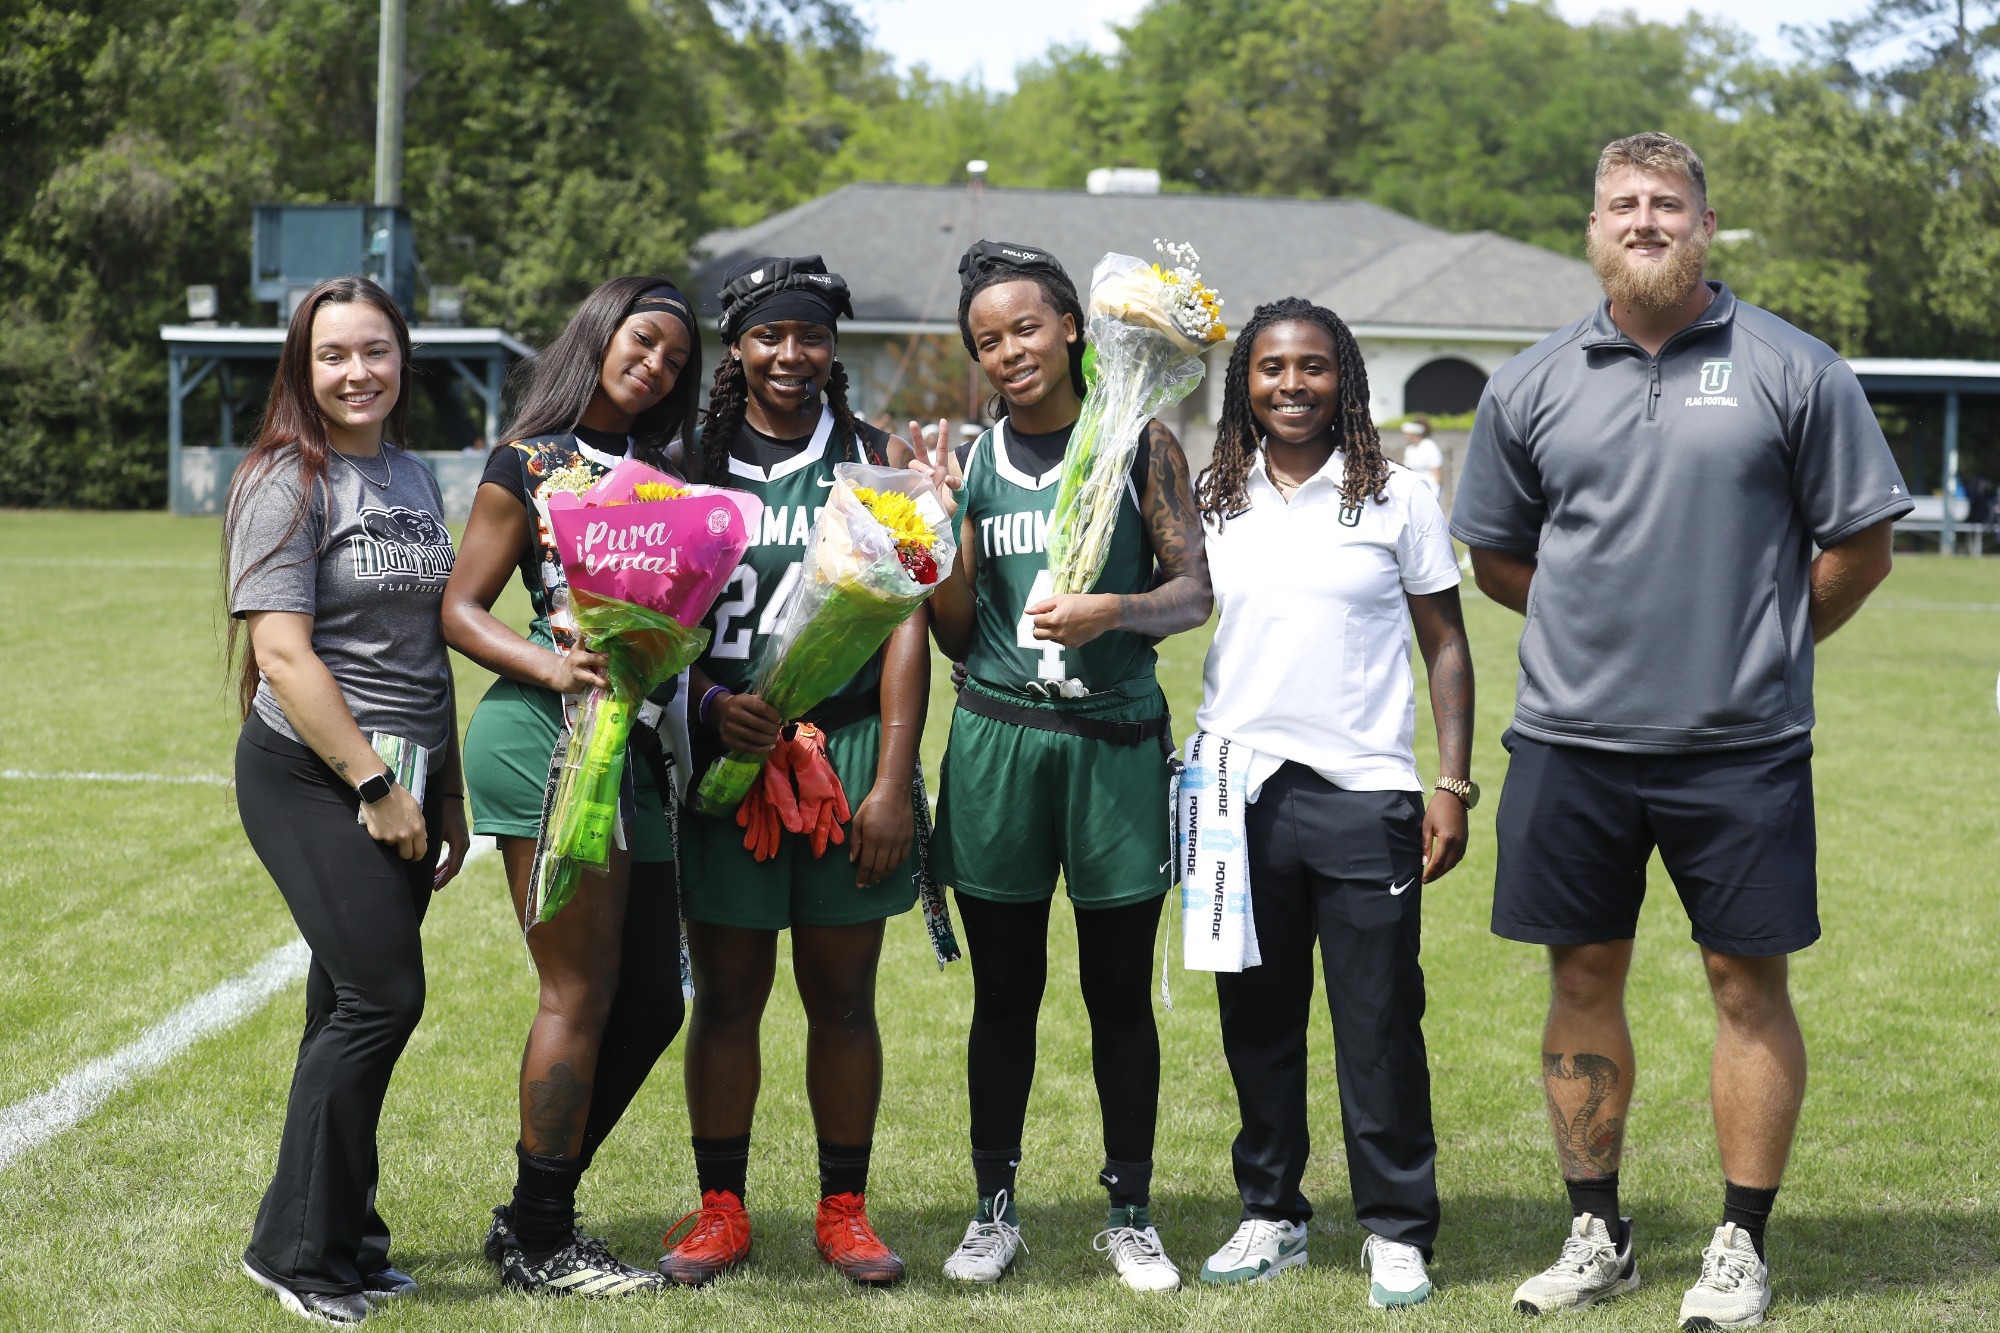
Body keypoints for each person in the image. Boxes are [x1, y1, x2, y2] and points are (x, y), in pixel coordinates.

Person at [1450, 133, 1910, 1330]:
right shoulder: (1532, 379)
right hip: (1569, 741)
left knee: (1742, 984)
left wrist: (1759, 638)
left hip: (1739, 745)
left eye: (1665, 203)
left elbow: (1858, 546)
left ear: (1703, 226)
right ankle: (1594, 1230)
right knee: (1581, 974)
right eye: (1620, 203)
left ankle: (1737, 1246)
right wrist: (1590, 633)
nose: (1642, 220)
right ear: (1590, 229)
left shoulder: (1791, 368)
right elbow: (1497, 554)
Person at [910, 239, 1212, 1293]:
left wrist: (1109, 611)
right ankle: (992, 1209)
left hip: (1114, 744)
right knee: (1006, 994)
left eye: (1025, 328)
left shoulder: (1137, 444)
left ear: (1073, 327)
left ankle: (1129, 1211)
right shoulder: (967, 459)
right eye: (986, 340)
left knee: (1116, 991)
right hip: (997, 741)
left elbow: (1192, 593)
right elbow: (956, 632)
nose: (1008, 351)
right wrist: (937, 554)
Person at [1188, 298, 1474, 1309]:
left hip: (1366, 794)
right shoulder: (1210, 492)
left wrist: (1449, 779)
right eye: (1270, 367)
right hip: (1232, 794)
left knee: (1378, 1020)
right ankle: (1269, 1212)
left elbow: (1442, 639)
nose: (1291, 384)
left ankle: (1396, 1227)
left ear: (1341, 377)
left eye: (1311, 366)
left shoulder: (1395, 494)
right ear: (1245, 382)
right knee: (1253, 1020)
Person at [657, 255, 926, 1288]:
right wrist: (701, 709)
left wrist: (892, 781)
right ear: (739, 346)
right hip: (725, 751)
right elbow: (651, 607)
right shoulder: (686, 458)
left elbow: (903, 622)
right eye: (770, 335)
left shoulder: (873, 456)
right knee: (726, 994)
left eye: (809, 336)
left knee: (842, 996)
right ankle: (721, 1208)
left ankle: (843, 1209)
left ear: (832, 348)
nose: (791, 355)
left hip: (845, 750)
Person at [442, 275, 703, 1297]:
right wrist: (552, 665)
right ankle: (543, 1236)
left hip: (632, 748)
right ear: (599, 334)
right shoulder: (529, 460)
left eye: (677, 360)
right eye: (644, 341)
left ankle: (530, 1214)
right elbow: (462, 609)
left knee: (649, 1003)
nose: (656, 366)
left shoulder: (667, 475)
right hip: (541, 737)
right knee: (580, 989)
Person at [224, 275, 470, 1324]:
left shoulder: (413, 473)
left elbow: (425, 649)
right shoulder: (288, 477)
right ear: (303, 367)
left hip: (406, 776)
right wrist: (370, 782)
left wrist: (441, 792)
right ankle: (292, 1251)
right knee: (381, 998)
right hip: (312, 773)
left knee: (343, 1003)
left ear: (401, 358)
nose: (356, 372)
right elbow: (280, 651)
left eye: (374, 351)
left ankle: (342, 1237)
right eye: (333, 355)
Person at [1399, 416, 1444, 495]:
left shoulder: (1429, 446)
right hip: (1414, 490)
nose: (1406, 436)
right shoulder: (1409, 449)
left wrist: (1436, 494)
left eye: (1408, 434)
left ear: (1415, 434)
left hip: (1430, 490)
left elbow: (1437, 473)